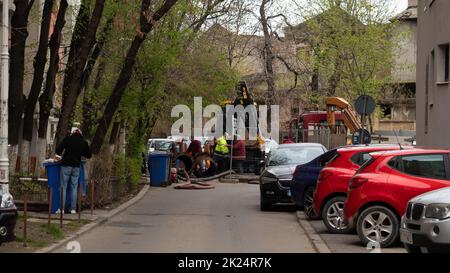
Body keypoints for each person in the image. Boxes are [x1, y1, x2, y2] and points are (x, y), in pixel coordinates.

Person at [55, 127, 92, 214]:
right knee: (74, 188)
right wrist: (80, 152)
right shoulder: (83, 142)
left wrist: (61, 153)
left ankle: (62, 209)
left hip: (66, 166)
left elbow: (58, 150)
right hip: (76, 167)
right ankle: (73, 209)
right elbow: (88, 155)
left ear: (72, 132)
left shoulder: (68, 139)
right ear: (80, 133)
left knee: (63, 187)